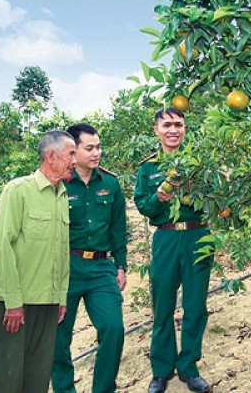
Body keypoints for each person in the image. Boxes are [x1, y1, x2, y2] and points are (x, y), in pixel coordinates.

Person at [0, 130, 77, 393]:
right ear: (51, 156)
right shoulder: (18, 190)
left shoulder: (61, 195)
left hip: (48, 305)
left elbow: (62, 252)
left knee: (38, 380)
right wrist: (13, 303)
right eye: (71, 153)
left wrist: (61, 298)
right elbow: (2, 247)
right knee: (8, 380)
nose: (75, 160)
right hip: (15, 305)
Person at [134, 108, 213, 393]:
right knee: (163, 305)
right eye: (166, 124)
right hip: (166, 238)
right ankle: (161, 370)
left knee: (195, 305)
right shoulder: (148, 168)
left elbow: (215, 197)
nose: (173, 129)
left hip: (197, 236)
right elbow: (143, 205)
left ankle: (189, 368)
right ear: (156, 130)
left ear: (185, 128)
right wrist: (159, 197)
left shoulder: (200, 163)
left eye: (178, 124)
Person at [52, 123, 129, 393]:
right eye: (90, 148)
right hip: (66, 268)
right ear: (73, 150)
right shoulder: (59, 183)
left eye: (98, 147)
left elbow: (118, 228)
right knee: (58, 339)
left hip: (100, 267)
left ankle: (104, 389)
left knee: (113, 328)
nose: (97, 153)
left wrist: (121, 265)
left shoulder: (110, 183)